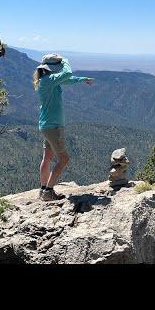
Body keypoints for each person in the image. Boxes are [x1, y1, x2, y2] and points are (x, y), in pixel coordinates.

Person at [32, 54, 94, 201]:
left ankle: (43, 189)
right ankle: (48, 191)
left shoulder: (46, 80)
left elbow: (67, 79)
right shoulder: (48, 80)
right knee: (64, 159)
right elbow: (67, 73)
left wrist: (83, 79)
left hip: (47, 125)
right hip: (53, 127)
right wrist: (65, 61)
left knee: (47, 157)